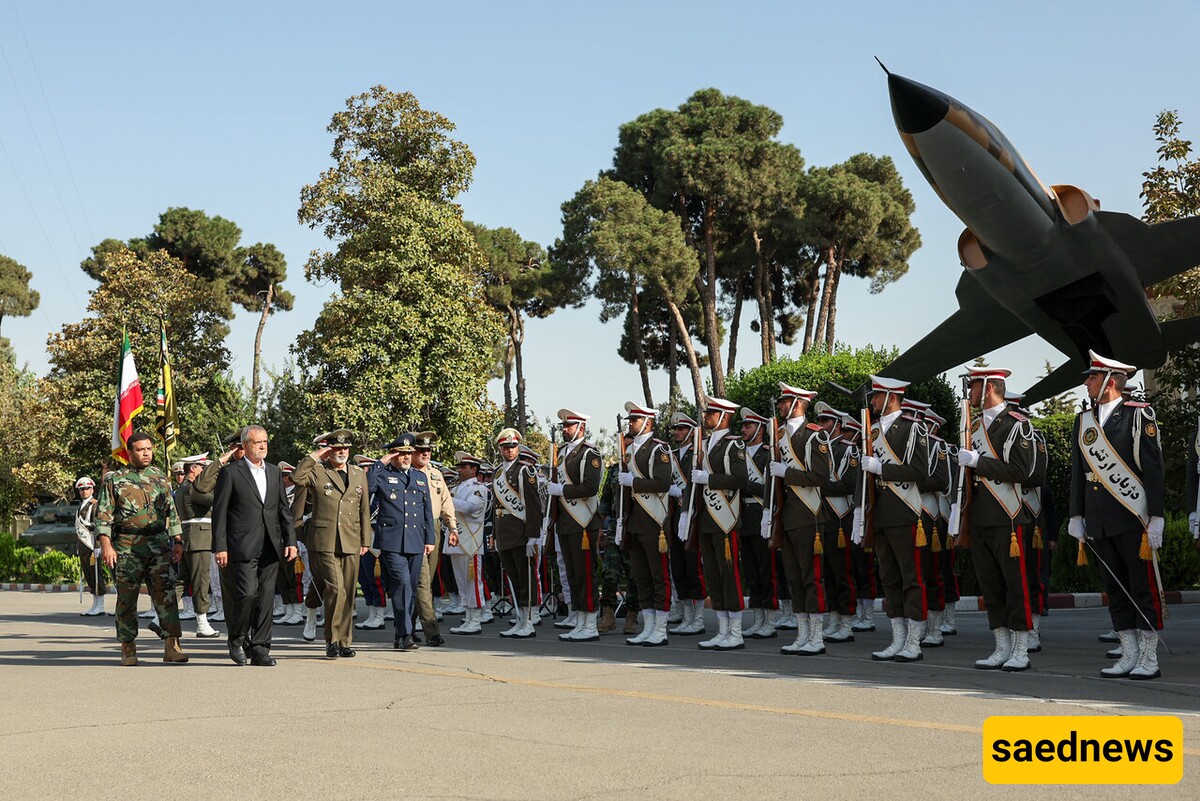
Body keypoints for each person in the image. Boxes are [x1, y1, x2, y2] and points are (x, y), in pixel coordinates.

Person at [1069, 351, 1166, 680]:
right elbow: (1077, 474)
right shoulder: (1083, 422)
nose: (1086, 383)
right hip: (1098, 519)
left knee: (1141, 588)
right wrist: (1076, 515)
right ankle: (1128, 653)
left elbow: (1153, 471)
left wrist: (1156, 516)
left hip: (1131, 518)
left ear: (1110, 382)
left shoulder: (1139, 417)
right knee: (1116, 590)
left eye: (1092, 378)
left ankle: (1149, 657)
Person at [954, 368, 1036, 671]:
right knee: (990, 586)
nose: (970, 393)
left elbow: (1021, 472)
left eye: (974, 386)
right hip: (979, 517)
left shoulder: (1017, 426)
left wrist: (979, 462)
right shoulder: (972, 427)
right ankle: (1001, 646)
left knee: (1015, 585)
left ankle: (1020, 649)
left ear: (988, 388)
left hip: (1007, 515)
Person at [853, 375, 930, 663]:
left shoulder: (912, 429)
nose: (872, 401)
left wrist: (882, 469)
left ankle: (913, 640)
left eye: (876, 396)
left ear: (891, 397)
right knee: (889, 577)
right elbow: (864, 473)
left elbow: (919, 471)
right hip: (880, 512)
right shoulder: (870, 430)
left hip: (903, 509)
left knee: (911, 577)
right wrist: (860, 511)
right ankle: (897, 637)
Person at [94, 431, 188, 667]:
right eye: (140, 449)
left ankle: (172, 645)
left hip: (158, 544)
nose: (146, 453)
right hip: (126, 546)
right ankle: (128, 647)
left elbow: (172, 512)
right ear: (129, 453)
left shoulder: (161, 478)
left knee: (166, 596)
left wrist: (177, 541)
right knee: (127, 598)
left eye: (149, 448)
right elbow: (103, 516)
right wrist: (106, 545)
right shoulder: (114, 480)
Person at [212, 425, 298, 667]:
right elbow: (220, 513)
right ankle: (237, 640)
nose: (263, 446)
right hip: (241, 546)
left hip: (271, 545)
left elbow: (283, 510)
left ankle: (260, 647)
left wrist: (290, 541)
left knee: (266, 598)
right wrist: (220, 546)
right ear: (245, 445)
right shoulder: (231, 473)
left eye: (266, 442)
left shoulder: (273, 472)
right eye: (257, 442)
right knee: (247, 594)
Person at [290, 429, 371, 658]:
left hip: (352, 540)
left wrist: (366, 539)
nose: (341, 452)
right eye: (336, 448)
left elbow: (363, 509)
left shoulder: (358, 474)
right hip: (324, 541)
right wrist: (316, 455)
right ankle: (332, 639)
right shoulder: (317, 471)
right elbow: (296, 477)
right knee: (335, 589)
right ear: (328, 450)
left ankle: (345, 641)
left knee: (348, 592)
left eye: (345, 448)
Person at [768, 383, 832, 656]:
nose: (781, 405)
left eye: (784, 401)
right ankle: (802, 634)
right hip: (789, 517)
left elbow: (820, 477)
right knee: (794, 577)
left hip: (810, 516)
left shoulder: (815, 436)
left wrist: (787, 473)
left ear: (797, 403)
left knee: (811, 577)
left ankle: (816, 637)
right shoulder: (779, 435)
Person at [368, 433, 436, 650]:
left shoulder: (419, 477)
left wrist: (430, 539)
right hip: (392, 542)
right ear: (393, 454)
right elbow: (367, 486)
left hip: (416, 541)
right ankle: (406, 634)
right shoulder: (382, 474)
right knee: (402, 585)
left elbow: (427, 511)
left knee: (412, 588)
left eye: (409, 453)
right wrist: (382, 461)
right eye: (401, 453)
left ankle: (400, 633)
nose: (406, 457)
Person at [547, 409, 604, 642]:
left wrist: (562, 490)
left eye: (568, 426)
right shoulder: (560, 453)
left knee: (585, 575)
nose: (564, 429)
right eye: (563, 426)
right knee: (572, 575)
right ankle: (579, 620)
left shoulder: (590, 453)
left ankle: (590, 623)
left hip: (583, 523)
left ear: (581, 427)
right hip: (566, 523)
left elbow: (590, 487)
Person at [491, 428, 543, 638]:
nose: (510, 450)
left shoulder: (525, 470)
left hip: (521, 534)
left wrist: (533, 536)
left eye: (513, 446)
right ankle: (519, 618)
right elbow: (496, 506)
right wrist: (495, 534)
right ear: (500, 449)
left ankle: (529, 620)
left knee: (526, 578)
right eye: (506, 447)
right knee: (513, 579)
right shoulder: (497, 473)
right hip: (504, 534)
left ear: (518, 447)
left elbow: (532, 505)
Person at [814, 402, 857, 644]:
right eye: (819, 421)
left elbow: (848, 485)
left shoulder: (848, 450)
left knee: (842, 572)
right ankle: (834, 619)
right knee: (828, 574)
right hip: (823, 518)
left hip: (841, 519)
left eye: (825, 422)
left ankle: (847, 622)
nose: (821, 425)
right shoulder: (819, 449)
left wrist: (818, 487)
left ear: (837, 425)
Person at [413, 431, 456, 647]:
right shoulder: (406, 473)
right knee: (421, 583)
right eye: (421, 450)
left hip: (435, 526)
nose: (425, 454)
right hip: (413, 529)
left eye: (428, 450)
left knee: (425, 582)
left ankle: (407, 628)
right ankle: (431, 631)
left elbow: (446, 501)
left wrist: (453, 527)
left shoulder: (436, 474)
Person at [738, 409, 776, 639]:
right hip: (743, 516)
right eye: (743, 426)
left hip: (761, 513)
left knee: (766, 569)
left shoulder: (767, 454)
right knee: (751, 571)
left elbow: (770, 489)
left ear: (760, 430)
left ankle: (770, 620)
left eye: (748, 426)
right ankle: (758, 618)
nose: (743, 430)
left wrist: (745, 484)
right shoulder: (739, 454)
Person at [667, 412, 706, 636]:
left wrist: (680, 491)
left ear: (691, 431)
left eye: (681, 429)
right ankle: (685, 614)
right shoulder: (671, 455)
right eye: (676, 429)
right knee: (678, 568)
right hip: (675, 517)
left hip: (692, 516)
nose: (678, 433)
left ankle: (698, 617)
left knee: (694, 568)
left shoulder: (698, 453)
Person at [176, 453, 220, 638]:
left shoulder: (182, 488)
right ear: (193, 468)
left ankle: (159, 617)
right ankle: (202, 622)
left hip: (190, 537)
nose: (203, 471)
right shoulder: (192, 489)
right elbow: (214, 500)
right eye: (202, 467)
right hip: (199, 537)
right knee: (201, 581)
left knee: (181, 580)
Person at [446, 452, 489, 635]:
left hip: (471, 540)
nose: (460, 470)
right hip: (456, 540)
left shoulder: (479, 488)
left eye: (464, 467)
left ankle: (476, 619)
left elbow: (470, 507)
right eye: (459, 467)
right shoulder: (455, 489)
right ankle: (468, 616)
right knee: (461, 582)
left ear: (474, 469)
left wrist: (445, 500)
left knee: (473, 582)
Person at [74, 476, 106, 616]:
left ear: (92, 489)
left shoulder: (95, 504)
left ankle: (100, 605)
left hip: (93, 544)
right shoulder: (81, 505)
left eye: (87, 488)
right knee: (89, 574)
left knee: (96, 574)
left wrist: (99, 546)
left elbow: (98, 526)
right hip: (85, 545)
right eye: (81, 489)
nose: (84, 491)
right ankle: (95, 603)